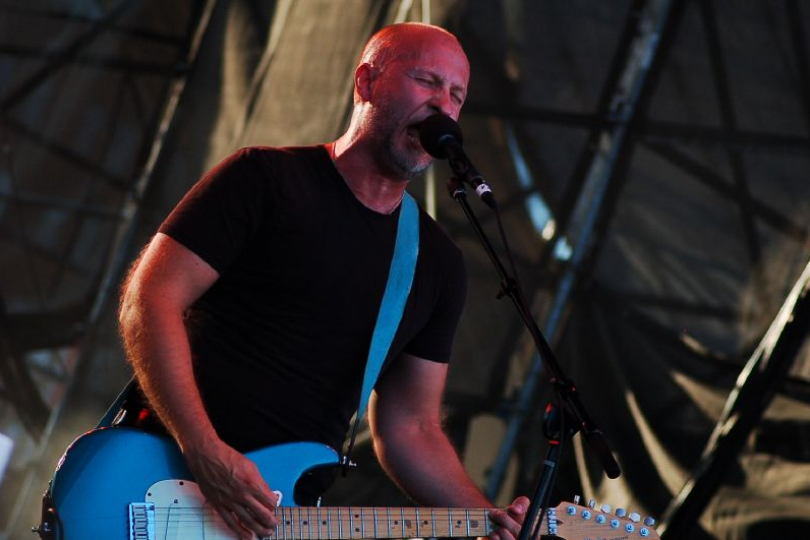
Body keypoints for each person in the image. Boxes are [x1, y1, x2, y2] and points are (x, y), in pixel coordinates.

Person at [118, 22, 528, 540]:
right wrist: (203, 447)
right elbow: (150, 299)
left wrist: (485, 518)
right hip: (157, 477)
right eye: (427, 80)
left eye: (457, 95)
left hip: (273, 515)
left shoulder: (436, 263)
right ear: (367, 83)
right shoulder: (264, 180)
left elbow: (411, 428)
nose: (443, 106)